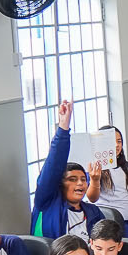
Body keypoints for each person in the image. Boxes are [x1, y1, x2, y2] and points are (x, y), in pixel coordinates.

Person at [30, 101, 109, 240]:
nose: (80, 183)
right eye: (72, 179)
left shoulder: (93, 212)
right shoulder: (47, 204)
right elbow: (54, 165)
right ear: (60, 184)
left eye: (83, 179)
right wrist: (63, 128)